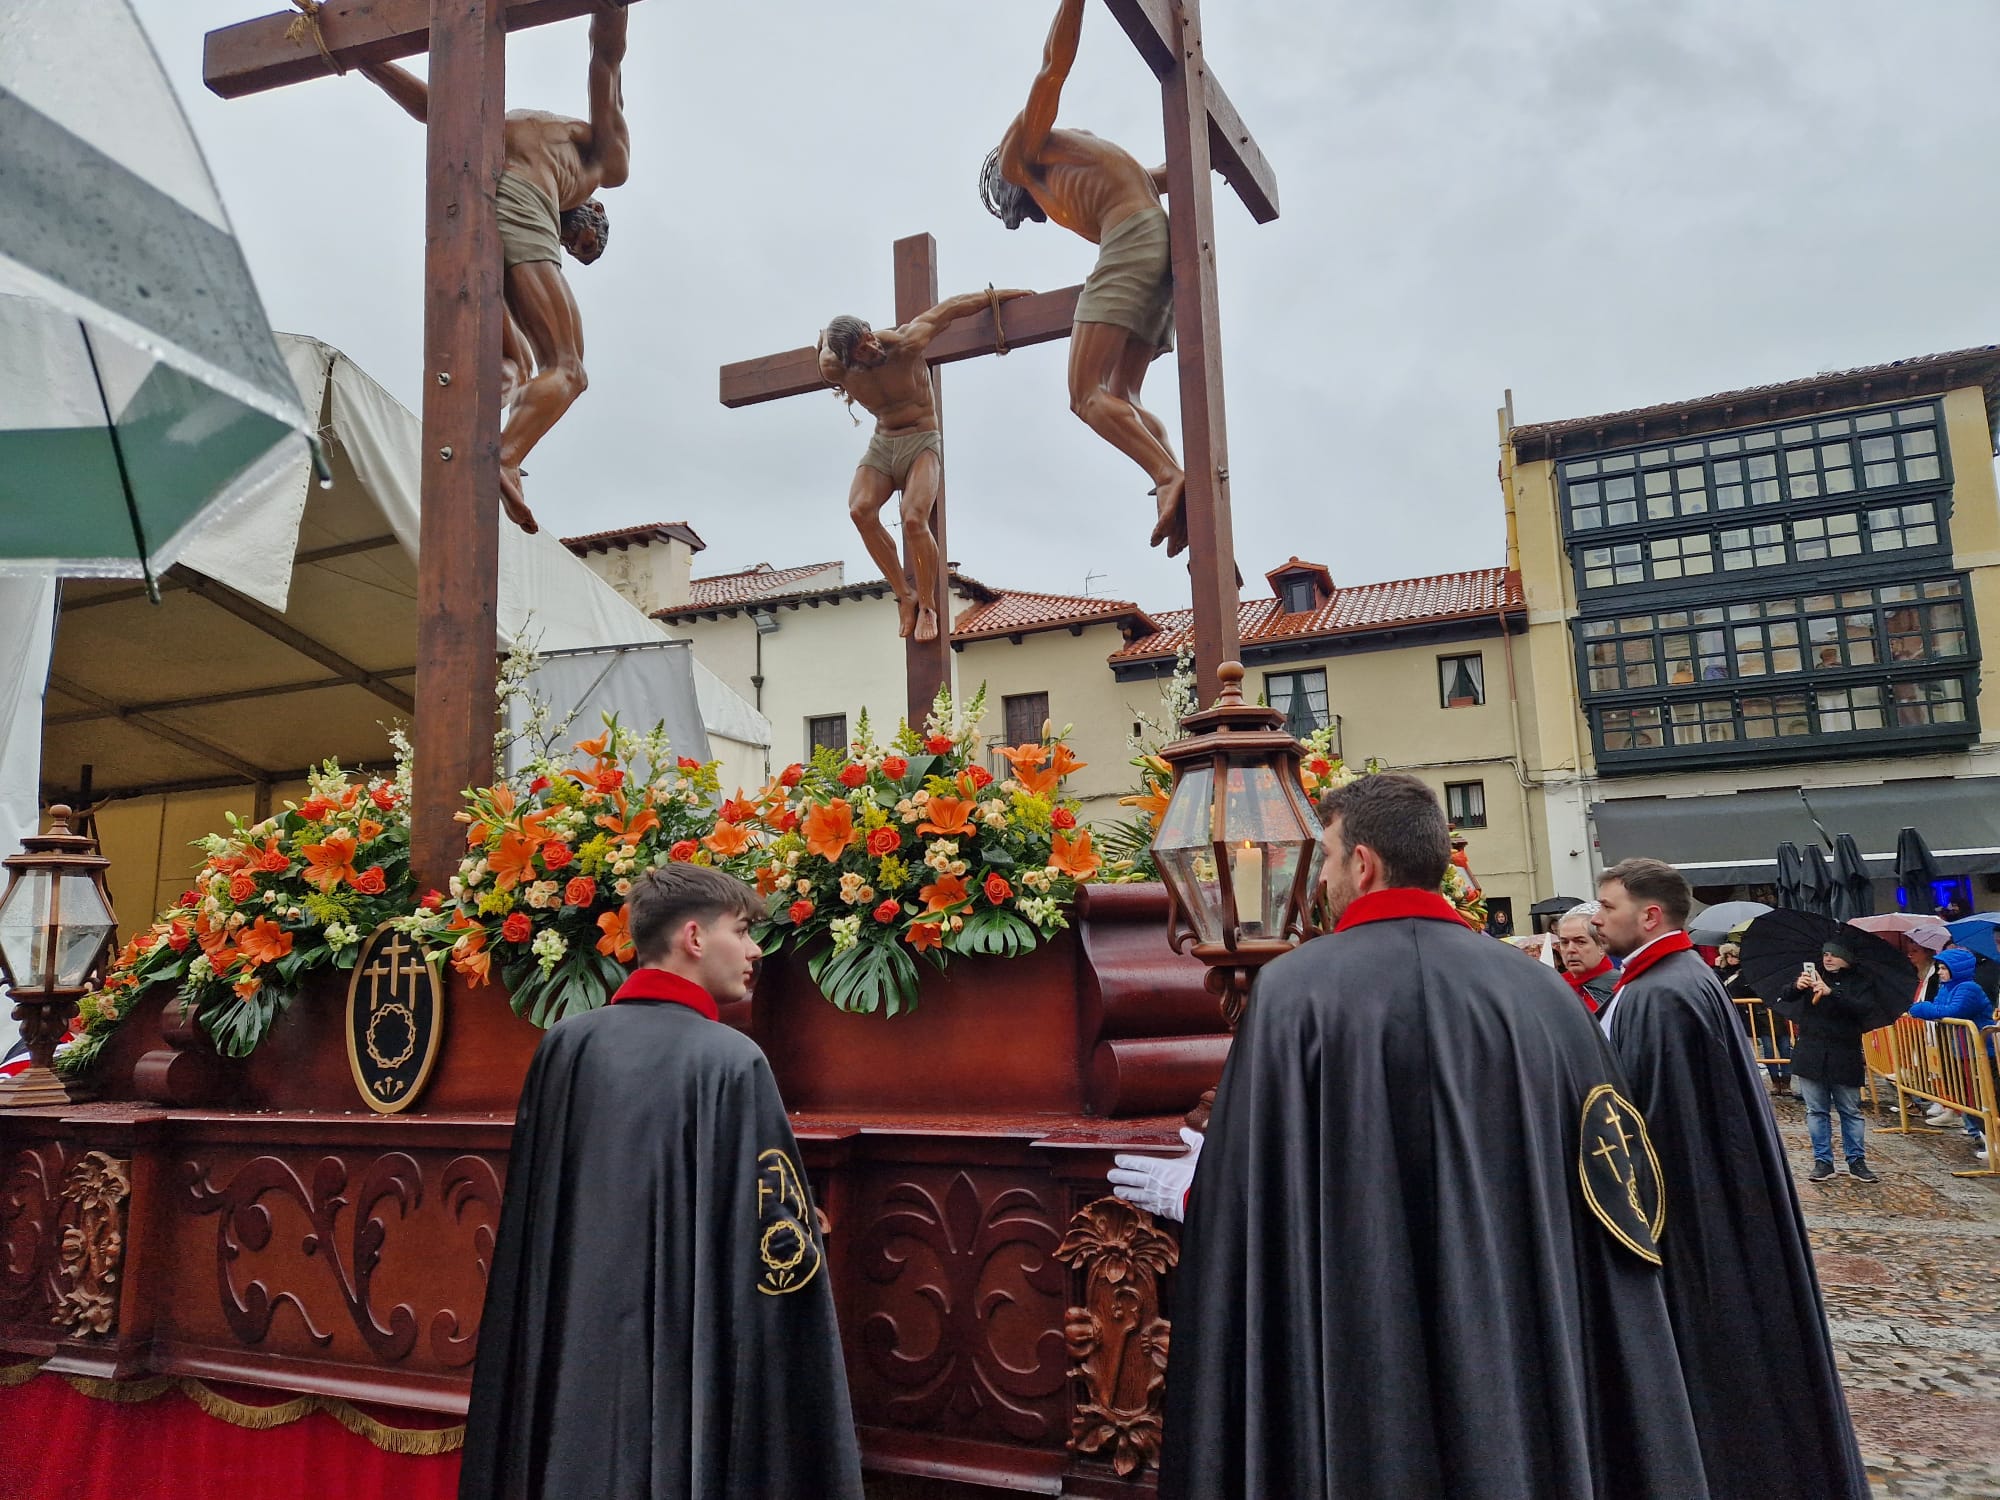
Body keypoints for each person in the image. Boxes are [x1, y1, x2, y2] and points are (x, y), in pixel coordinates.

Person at [1114, 775, 1707, 1499]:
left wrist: (1193, 1188)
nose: (1322, 880)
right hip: (1518, 1336)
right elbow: (1614, 1186)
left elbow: (1250, 1196)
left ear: (1362, 864)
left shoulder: (1294, 994)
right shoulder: (1545, 996)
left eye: (1327, 860)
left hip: (1354, 1347)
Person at [458, 865, 864, 1499]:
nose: (756, 950)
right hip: (682, 1378)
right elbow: (778, 1250)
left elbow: (534, 1238)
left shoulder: (565, 1046)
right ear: (695, 938)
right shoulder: (732, 1060)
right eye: (743, 930)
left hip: (571, 1374)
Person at [1592, 858, 1867, 1500]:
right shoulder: (1670, 980)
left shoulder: (1662, 993)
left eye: (1607, 907)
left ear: (1649, 914)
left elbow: (1651, 1133)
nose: (1597, 918)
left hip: (1689, 1231)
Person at [359, 2, 631, 534]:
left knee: (518, 367)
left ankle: (496, 447)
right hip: (515, 199)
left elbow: (434, 108)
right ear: (593, 215)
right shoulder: (606, 165)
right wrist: (613, 11)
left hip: (466, 206)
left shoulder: (520, 130)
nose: (567, 253)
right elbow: (607, 62)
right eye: (578, 247)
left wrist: (363, 56)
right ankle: (502, 458)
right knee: (569, 368)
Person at [983, 0, 1187, 555]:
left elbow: (1053, 67)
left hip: (1132, 240)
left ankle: (1169, 478)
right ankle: (1174, 483)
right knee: (1125, 391)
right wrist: (1206, 156)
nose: (1036, 216)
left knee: (1084, 393)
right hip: (1159, 245)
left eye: (1024, 211)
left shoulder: (1021, 154)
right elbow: (1167, 175)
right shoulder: (1090, 159)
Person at [816, 289, 1030, 642]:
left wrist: (1002, 296)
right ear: (846, 360)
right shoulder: (834, 366)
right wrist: (825, 335)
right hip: (883, 443)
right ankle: (904, 596)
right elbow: (824, 341)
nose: (871, 349)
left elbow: (952, 309)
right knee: (860, 511)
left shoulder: (905, 343)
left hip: (922, 441)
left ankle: (928, 605)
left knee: (913, 518)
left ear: (870, 330)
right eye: (860, 351)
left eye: (868, 339)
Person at [1779, 937, 1881, 1183]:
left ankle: (1856, 1160)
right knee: (1816, 1111)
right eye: (1825, 954)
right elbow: (1785, 996)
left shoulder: (1861, 981)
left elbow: (1864, 1008)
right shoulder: (1812, 976)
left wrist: (1832, 993)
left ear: (1846, 957)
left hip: (1844, 1053)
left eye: (1834, 954)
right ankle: (1822, 1161)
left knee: (1850, 1110)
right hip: (1811, 1053)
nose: (1828, 958)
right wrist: (1797, 986)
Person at [1909, 948, 1995, 1159]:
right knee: (1968, 1097)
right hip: (1960, 1050)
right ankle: (1988, 1141)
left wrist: (1920, 1009)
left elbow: (1951, 1011)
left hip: (1979, 1051)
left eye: (1943, 968)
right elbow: (1940, 1007)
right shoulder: (1947, 988)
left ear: (1956, 969)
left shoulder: (1968, 988)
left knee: (1984, 1098)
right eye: (1939, 967)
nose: (1939, 972)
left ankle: (1994, 1142)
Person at [1553, 906, 1618, 1014]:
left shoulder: (1620, 987)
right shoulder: (1555, 986)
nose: (1570, 950)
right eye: (1564, 942)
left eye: (1580, 942)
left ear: (1601, 946)